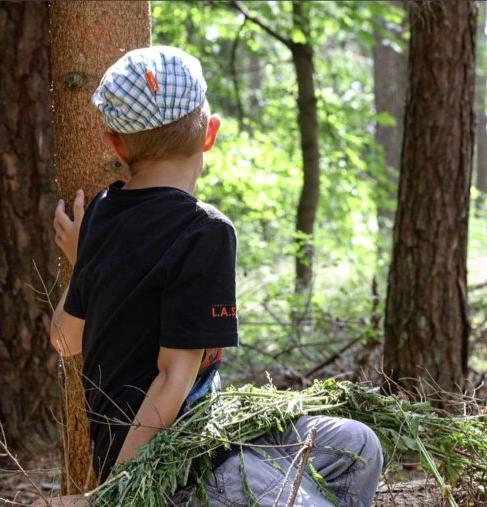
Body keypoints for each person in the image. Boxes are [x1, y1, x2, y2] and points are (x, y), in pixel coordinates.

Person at [48, 46, 382, 507]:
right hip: (173, 473)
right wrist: (115, 496)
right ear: (210, 133)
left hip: (212, 440)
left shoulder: (103, 213)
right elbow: (173, 379)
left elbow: (65, 341)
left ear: (115, 144)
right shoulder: (205, 231)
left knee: (356, 444)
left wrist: (81, 259)